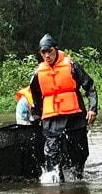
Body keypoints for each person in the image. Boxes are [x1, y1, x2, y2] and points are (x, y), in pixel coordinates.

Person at [29, 33, 98, 180]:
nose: (47, 56)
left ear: (56, 49)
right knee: (51, 156)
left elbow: (90, 86)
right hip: (51, 121)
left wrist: (93, 108)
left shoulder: (72, 66)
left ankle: (77, 180)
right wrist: (35, 117)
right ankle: (54, 185)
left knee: (79, 154)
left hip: (75, 119)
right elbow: (35, 96)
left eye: (50, 51)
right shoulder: (38, 74)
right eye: (44, 53)